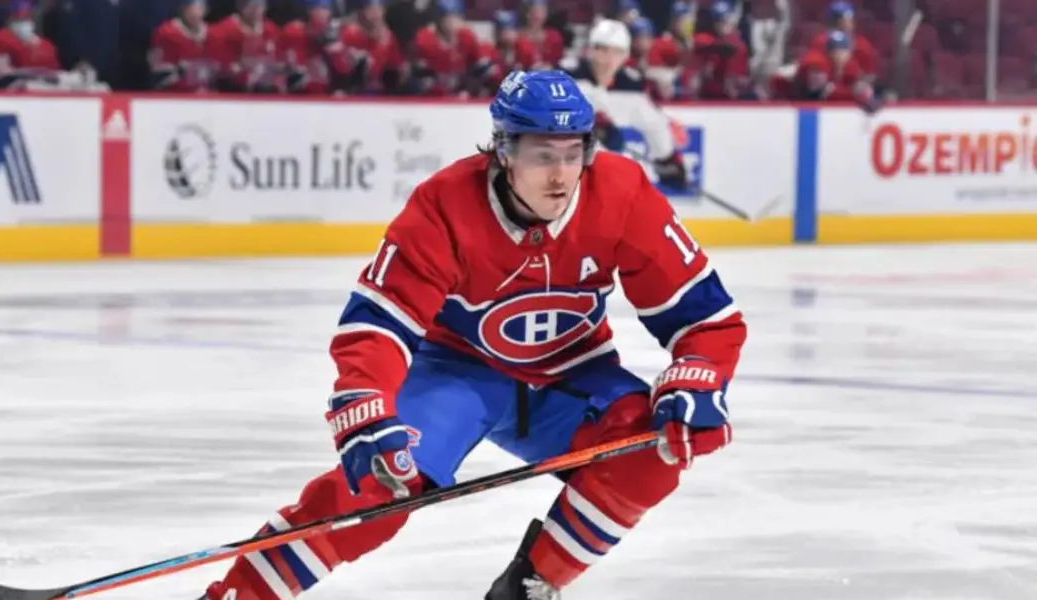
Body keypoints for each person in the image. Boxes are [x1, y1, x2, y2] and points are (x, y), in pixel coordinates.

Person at [202, 69, 746, 600]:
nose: (561, 176)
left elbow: (706, 319)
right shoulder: (444, 204)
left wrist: (699, 375)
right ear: (504, 151)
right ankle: (239, 594)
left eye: (572, 154)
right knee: (380, 484)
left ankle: (530, 587)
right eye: (542, 156)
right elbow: (380, 320)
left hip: (572, 375)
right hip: (457, 370)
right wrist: (366, 396)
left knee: (652, 448)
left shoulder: (621, 192)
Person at [564, 19, 690, 191]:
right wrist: (593, 121)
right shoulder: (569, 74)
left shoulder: (631, 84)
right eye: (602, 50)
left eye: (616, 52)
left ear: (625, 56)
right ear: (590, 50)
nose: (608, 59)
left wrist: (667, 158)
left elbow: (653, 121)